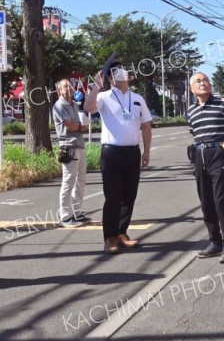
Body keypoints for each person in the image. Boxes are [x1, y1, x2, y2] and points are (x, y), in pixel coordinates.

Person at [84, 60, 152, 254]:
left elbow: (146, 126)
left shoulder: (138, 98)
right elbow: (88, 108)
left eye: (120, 70)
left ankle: (122, 233)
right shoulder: (104, 96)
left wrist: (146, 151)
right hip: (111, 152)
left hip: (132, 152)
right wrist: (96, 85)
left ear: (128, 74)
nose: (117, 74)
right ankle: (110, 237)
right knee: (113, 196)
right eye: (112, 72)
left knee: (129, 195)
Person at [187, 72, 224, 264]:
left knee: (222, 201)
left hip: (219, 155)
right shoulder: (191, 110)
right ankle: (214, 241)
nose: (203, 83)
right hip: (199, 156)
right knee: (206, 202)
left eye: (205, 80)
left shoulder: (223, 104)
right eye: (198, 81)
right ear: (192, 88)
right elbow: (194, 133)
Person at [53, 78, 90, 227]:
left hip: (79, 146)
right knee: (68, 181)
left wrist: (81, 126)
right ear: (59, 91)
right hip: (68, 147)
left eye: (70, 86)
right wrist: (80, 127)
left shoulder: (75, 105)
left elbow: (83, 126)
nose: (69, 89)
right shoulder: (59, 106)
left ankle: (77, 212)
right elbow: (70, 126)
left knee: (80, 181)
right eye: (65, 87)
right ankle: (65, 216)